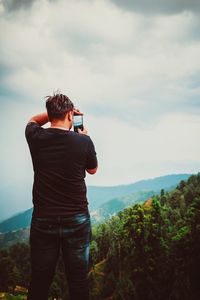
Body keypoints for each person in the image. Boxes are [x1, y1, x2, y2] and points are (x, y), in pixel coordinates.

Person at [25, 92, 98, 300]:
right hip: (77, 219)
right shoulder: (83, 141)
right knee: (78, 280)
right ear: (69, 115)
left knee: (40, 279)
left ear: (50, 114)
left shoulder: (35, 136)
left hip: (43, 219)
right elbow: (92, 170)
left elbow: (31, 120)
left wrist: (52, 115)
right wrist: (83, 136)